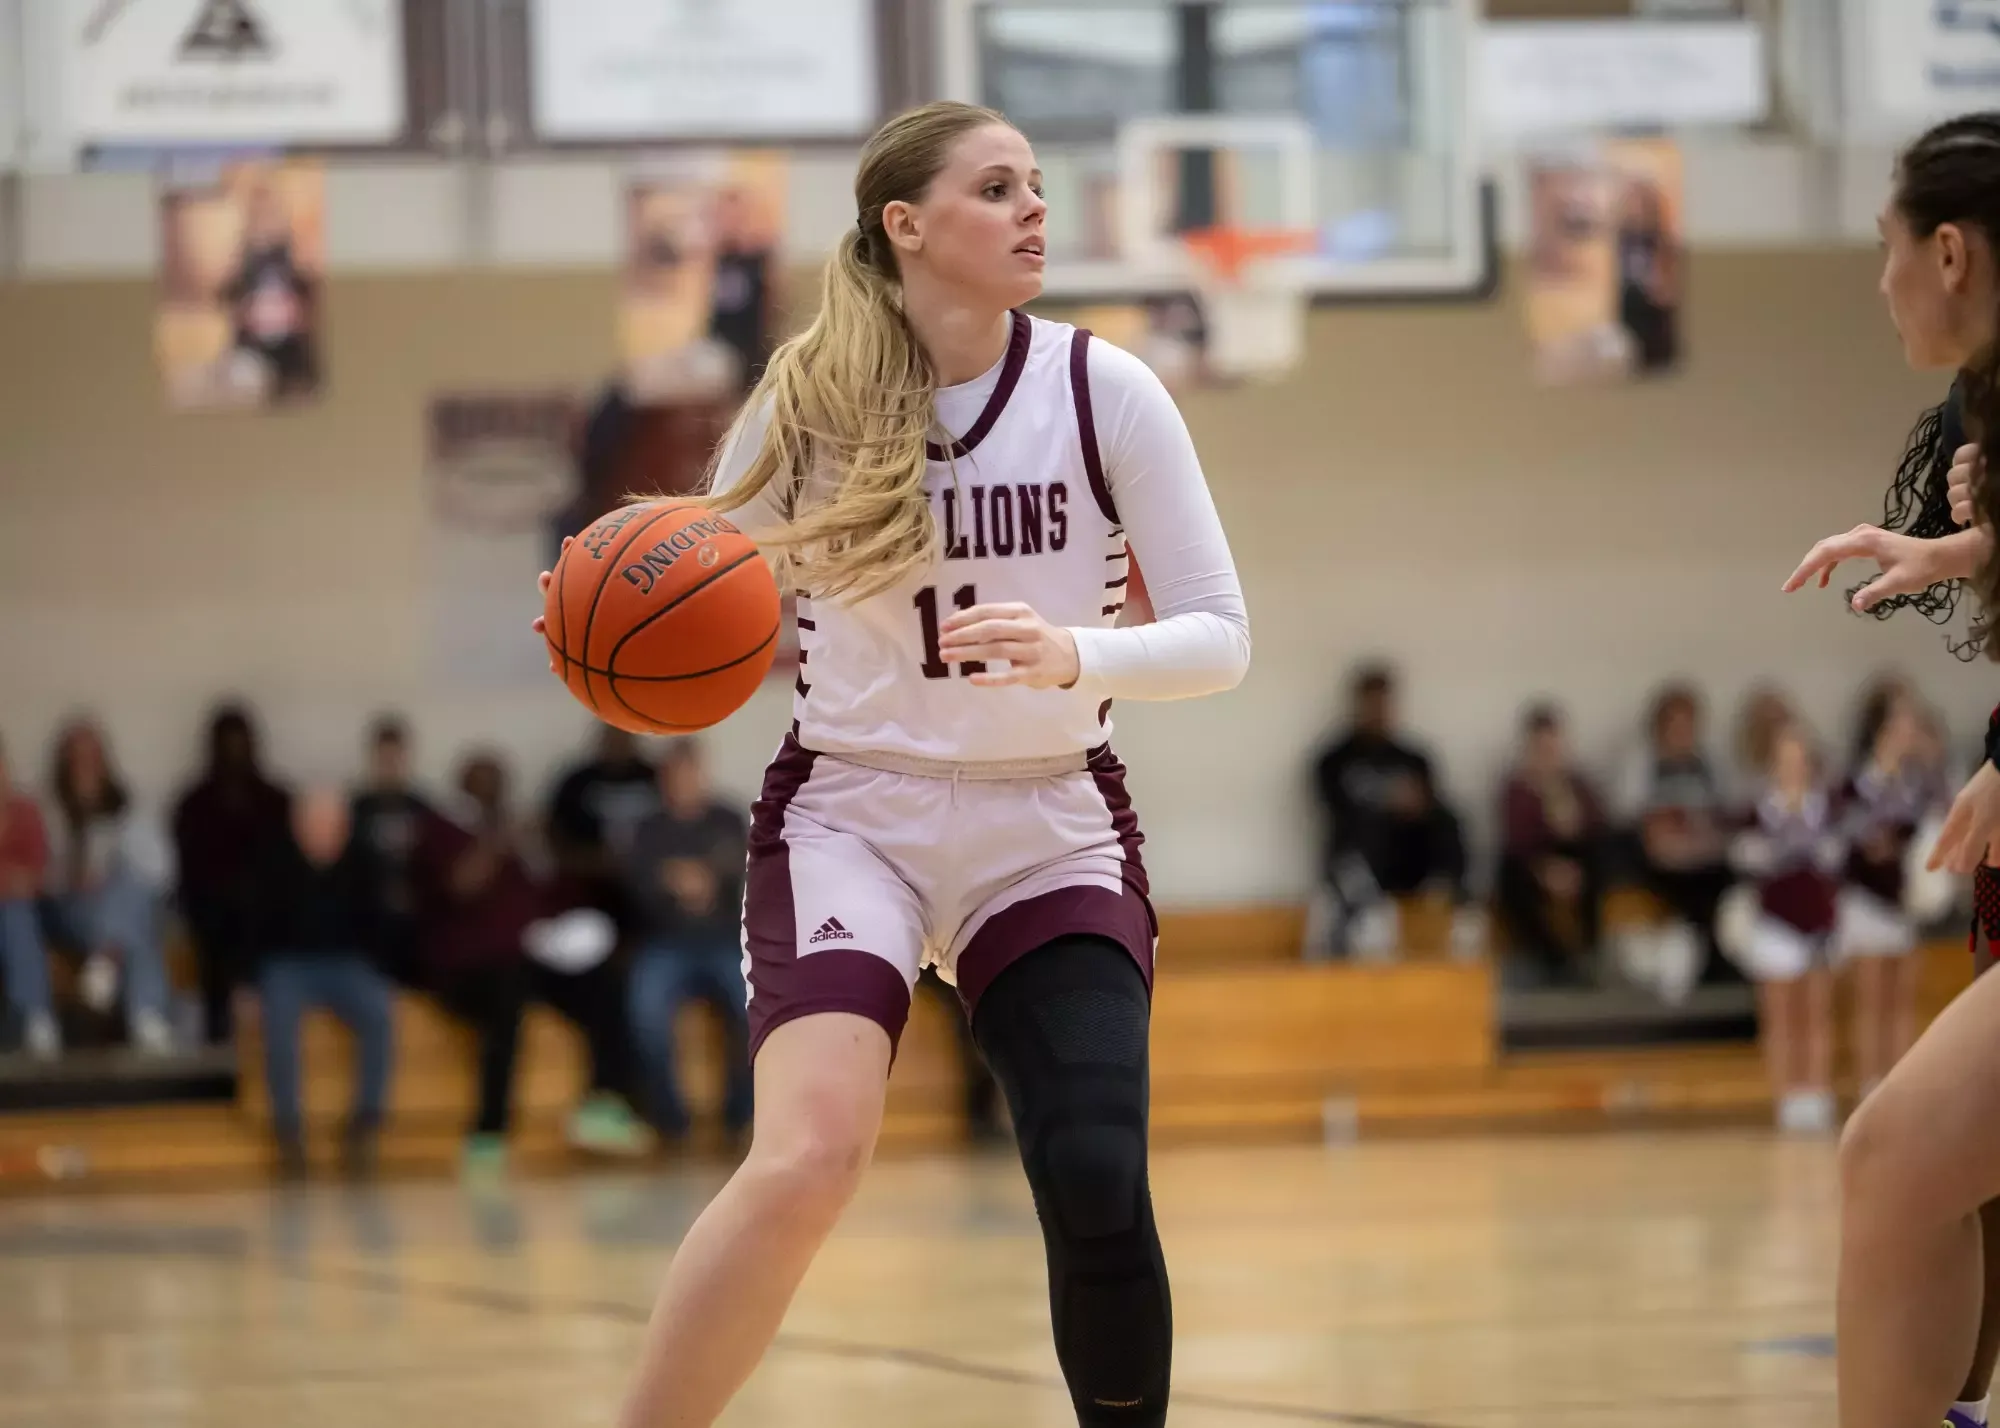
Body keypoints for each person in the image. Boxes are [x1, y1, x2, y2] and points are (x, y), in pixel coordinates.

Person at [533, 100, 1249, 1428]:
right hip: (852, 814)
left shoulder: (1107, 390)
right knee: (808, 1158)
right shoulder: (804, 399)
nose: (1035, 206)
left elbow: (1222, 640)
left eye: (1038, 182)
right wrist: (596, 623)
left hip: (1046, 820)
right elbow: (689, 580)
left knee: (1094, 1170)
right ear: (907, 226)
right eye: (998, 188)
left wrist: (1076, 653)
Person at [1780, 111, 2000, 1428]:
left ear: (1954, 253)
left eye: (1888, 249)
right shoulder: (1985, 412)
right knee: (1924, 1170)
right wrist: (1963, 554)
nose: (1880, 281)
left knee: (1902, 1154)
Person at [251, 785, 395, 1180]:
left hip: (346, 963)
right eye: (314, 823)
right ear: (297, 826)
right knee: (277, 1018)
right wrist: (246, 982)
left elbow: (379, 923)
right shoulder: (274, 861)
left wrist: (379, 965)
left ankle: (365, 1124)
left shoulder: (362, 860)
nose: (323, 831)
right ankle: (289, 1131)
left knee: (379, 1010)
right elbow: (252, 925)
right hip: (288, 964)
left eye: (331, 824)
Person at [622, 739, 754, 1142]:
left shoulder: (728, 818)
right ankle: (671, 1122)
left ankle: (740, 1116)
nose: (682, 782)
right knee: (645, 1012)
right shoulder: (648, 828)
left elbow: (745, 875)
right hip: (666, 944)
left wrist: (700, 878)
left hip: (724, 941)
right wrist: (673, 883)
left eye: (689, 773)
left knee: (755, 1010)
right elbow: (638, 888)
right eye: (673, 776)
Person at [1310, 664, 1479, 959]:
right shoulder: (1333, 760)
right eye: (1372, 704)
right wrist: (1385, 803)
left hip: (1409, 860)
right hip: (1361, 866)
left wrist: (1413, 806)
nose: (1379, 711)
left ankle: (1452, 896)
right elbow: (1334, 811)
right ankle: (1364, 909)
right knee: (1364, 830)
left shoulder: (1415, 759)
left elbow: (1433, 807)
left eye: (1385, 703)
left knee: (1450, 818)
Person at [1726, 721, 1844, 1134]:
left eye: (1799, 760)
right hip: (1775, 924)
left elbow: (1837, 858)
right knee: (1781, 1015)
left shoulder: (1826, 807)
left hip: (1818, 923)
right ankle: (1787, 1095)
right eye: (1784, 761)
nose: (1793, 768)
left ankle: (1816, 1089)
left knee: (1815, 1011)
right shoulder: (1758, 810)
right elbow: (1743, 858)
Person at [1838, 687, 1948, 1097]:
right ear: (1882, 729)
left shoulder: (1920, 781)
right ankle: (1870, 1086)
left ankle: (1898, 1087)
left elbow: (1937, 821)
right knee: (1871, 998)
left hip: (1902, 900)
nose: (1910, 732)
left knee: (1901, 998)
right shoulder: (1859, 780)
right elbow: (1855, 838)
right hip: (1865, 899)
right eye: (1902, 723)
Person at [45, 718, 176, 1053]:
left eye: (94, 756)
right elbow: (41, 879)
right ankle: (147, 1017)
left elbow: (161, 872)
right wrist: (74, 877)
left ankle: (105, 960)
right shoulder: (51, 812)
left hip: (117, 907)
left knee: (129, 895)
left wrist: (116, 869)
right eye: (79, 756)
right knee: (135, 926)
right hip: (70, 910)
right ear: (65, 762)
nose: (87, 764)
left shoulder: (127, 808)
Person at [172, 704, 291, 1043]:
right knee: (216, 955)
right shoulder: (194, 803)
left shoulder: (276, 801)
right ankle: (218, 1054)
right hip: (211, 917)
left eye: (241, 742)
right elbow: (188, 872)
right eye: (228, 742)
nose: (234, 751)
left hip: (266, 917)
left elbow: (285, 870)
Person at [1495, 704, 1606, 987]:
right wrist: (1545, 869)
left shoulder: (1578, 784)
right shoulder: (1516, 788)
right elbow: (1517, 841)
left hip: (1575, 863)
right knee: (1509, 878)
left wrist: (1568, 813)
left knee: (1598, 860)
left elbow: (1596, 829)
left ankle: (1592, 951)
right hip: (1534, 865)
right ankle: (1557, 963)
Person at [349, 716, 434, 986]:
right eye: (384, 757)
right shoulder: (358, 808)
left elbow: (433, 860)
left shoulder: (421, 807)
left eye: (394, 757)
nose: (389, 765)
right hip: (370, 905)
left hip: (415, 903)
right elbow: (348, 863)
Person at [0, 733, 56, 1058]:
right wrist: (10, 877)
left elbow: (37, 875)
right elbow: (16, 877)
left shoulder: (25, 812)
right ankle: (35, 1015)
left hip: (24, 914)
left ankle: (35, 1019)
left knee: (15, 914)